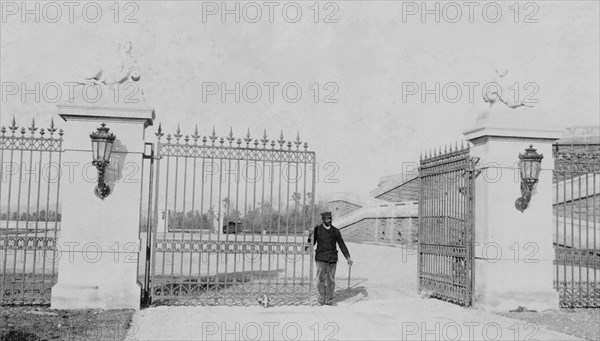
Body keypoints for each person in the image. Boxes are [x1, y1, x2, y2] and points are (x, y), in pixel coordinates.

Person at [308, 211, 353, 306]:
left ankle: (329, 299)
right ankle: (320, 299)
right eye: (327, 219)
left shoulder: (336, 231)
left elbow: (341, 244)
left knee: (331, 280)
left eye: (330, 218)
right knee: (320, 279)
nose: (329, 220)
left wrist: (347, 257)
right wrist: (310, 235)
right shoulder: (317, 229)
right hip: (320, 258)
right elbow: (311, 243)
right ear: (323, 219)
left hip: (332, 259)